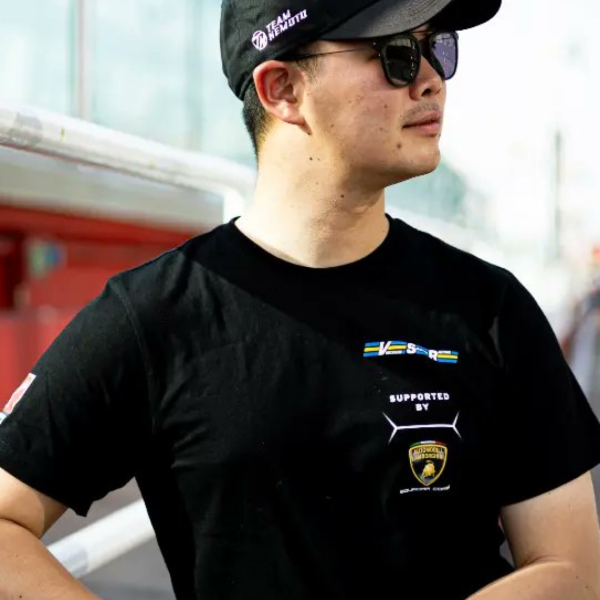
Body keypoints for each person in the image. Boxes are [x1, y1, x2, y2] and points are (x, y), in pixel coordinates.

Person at [1, 0, 600, 598]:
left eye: (438, 47)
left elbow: (572, 567)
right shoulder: (155, 316)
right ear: (282, 89)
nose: (431, 79)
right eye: (396, 53)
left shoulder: (489, 307)